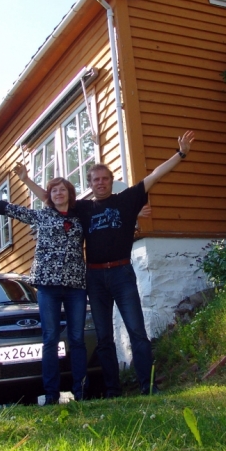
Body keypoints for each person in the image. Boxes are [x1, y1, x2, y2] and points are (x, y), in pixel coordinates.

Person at [18, 130, 195, 397]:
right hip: (95, 278)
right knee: (103, 338)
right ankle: (113, 390)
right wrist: (26, 180)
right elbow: (51, 197)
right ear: (89, 184)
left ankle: (149, 387)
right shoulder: (84, 208)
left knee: (137, 332)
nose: (100, 183)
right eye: (95, 180)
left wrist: (180, 154)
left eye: (104, 179)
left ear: (111, 181)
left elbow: (156, 175)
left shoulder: (127, 200)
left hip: (122, 274)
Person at [0, 173, 88, 404]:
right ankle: (52, 394)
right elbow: (12, 209)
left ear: (70, 194)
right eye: (54, 191)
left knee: (77, 338)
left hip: (75, 286)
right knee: (50, 338)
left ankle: (81, 391)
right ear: (49, 196)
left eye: (62, 190)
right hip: (48, 286)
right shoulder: (41, 216)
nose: (58, 193)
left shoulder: (80, 217)